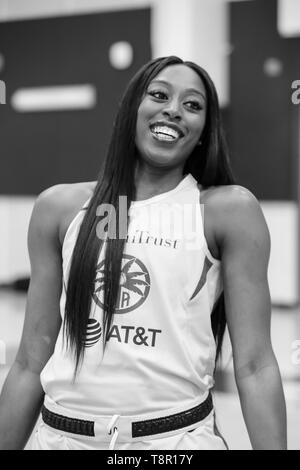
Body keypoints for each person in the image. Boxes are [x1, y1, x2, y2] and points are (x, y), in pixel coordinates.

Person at [0, 56, 287, 450]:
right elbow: (30, 361)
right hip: (61, 439)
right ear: (132, 109)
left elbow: (256, 365)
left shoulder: (226, 211)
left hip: (174, 443)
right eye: (159, 95)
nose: (174, 110)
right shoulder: (61, 208)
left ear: (204, 130)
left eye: (192, 105)